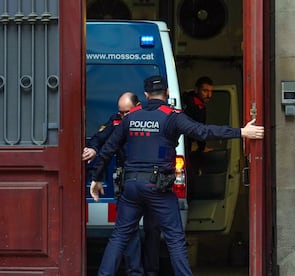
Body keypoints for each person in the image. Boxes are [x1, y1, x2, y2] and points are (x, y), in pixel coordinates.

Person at [89, 75, 264, 276]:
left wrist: (96, 178)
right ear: (167, 93)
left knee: (119, 236)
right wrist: (241, 132)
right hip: (158, 188)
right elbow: (203, 132)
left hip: (131, 187)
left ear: (146, 95)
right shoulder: (172, 116)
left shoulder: (129, 117)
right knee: (175, 239)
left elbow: (108, 148)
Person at [82, 92, 147, 275]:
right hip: (127, 183)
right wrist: (94, 149)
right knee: (130, 231)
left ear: (138, 106)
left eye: (127, 112)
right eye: (121, 113)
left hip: (151, 183)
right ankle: (135, 272)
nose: (124, 116)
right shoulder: (117, 120)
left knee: (153, 231)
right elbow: (101, 139)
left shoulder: (149, 119)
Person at [181, 76, 214, 153]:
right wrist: (202, 147)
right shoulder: (197, 105)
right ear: (196, 90)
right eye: (205, 91)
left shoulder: (186, 99)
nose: (209, 95)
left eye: (211, 91)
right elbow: (199, 129)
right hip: (185, 142)